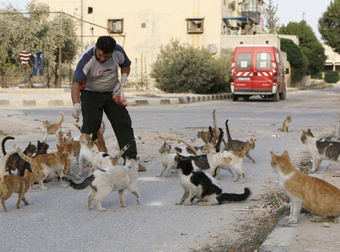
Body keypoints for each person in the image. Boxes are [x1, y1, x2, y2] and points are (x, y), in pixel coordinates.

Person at [71, 36, 145, 171]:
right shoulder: (87, 59)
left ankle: (131, 160)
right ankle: (92, 162)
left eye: (107, 56)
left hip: (112, 93)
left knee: (123, 123)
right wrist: (76, 104)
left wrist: (124, 76)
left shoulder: (118, 51)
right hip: (91, 93)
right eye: (101, 55)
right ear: (96, 47)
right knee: (91, 125)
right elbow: (76, 83)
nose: (103, 59)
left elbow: (125, 64)